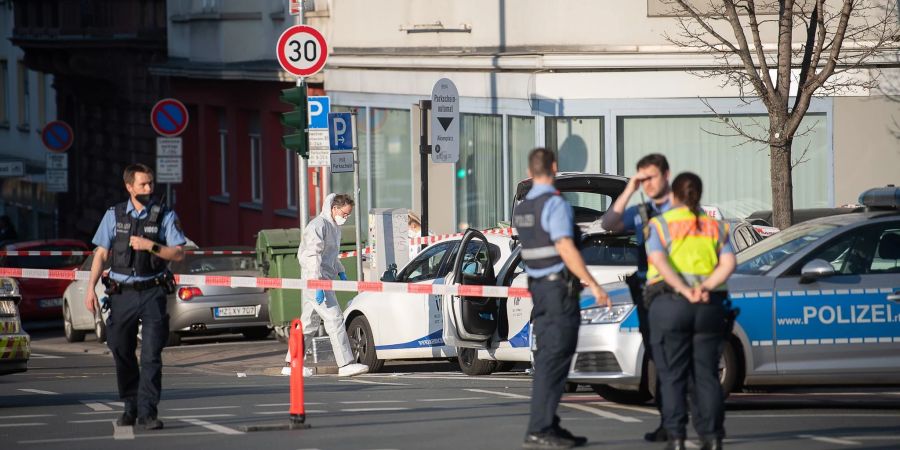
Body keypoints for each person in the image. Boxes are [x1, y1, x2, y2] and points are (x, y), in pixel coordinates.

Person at [513, 148, 610, 450]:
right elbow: (565, 247)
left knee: (547, 358)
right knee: (555, 358)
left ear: (531, 170)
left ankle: (548, 423)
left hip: (539, 290)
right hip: (558, 291)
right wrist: (594, 284)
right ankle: (541, 427)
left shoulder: (525, 207)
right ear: (553, 167)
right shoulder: (554, 204)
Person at [85, 163, 186, 430]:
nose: (149, 188)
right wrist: (89, 288)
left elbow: (178, 253)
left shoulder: (164, 215)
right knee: (121, 350)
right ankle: (130, 405)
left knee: (152, 354)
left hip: (152, 291)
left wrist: (150, 246)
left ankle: (148, 412)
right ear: (129, 187)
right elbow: (101, 254)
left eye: (151, 183)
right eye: (143, 184)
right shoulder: (114, 215)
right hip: (121, 295)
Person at [644, 173, 736, 450]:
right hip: (709, 306)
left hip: (671, 305)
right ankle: (712, 436)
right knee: (706, 374)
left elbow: (658, 260)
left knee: (673, 374)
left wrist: (685, 290)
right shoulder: (716, 227)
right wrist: (704, 286)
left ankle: (676, 437)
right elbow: (729, 263)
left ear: (673, 195)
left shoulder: (660, 225)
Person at [599, 153, 673, 442]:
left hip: (677, 293)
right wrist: (630, 188)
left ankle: (699, 423)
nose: (648, 184)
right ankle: (669, 421)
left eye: (651, 177)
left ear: (666, 176)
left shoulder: (681, 209)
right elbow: (609, 223)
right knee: (659, 358)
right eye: (643, 179)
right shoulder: (642, 212)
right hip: (648, 294)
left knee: (679, 358)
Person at [281, 193, 369, 378]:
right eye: (344, 214)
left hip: (319, 279)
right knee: (335, 319)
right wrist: (317, 283)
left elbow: (330, 255)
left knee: (308, 324)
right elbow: (313, 256)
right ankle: (345, 363)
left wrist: (340, 269)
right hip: (316, 279)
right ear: (334, 208)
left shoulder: (332, 226)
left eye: (348, 215)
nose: (345, 218)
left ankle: (291, 363)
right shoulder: (318, 226)